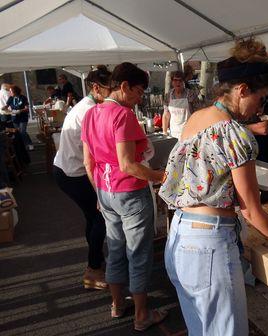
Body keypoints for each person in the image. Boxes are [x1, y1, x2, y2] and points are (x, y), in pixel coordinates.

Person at [159, 38, 268, 336]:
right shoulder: (235, 135)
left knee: (200, 329)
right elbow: (253, 211)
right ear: (242, 90)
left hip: (179, 235)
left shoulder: (197, 117)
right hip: (209, 247)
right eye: (261, 97)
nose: (261, 106)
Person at [81, 62, 167, 331]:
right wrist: (160, 177)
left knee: (116, 249)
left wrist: (99, 193)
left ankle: (117, 304)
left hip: (105, 190)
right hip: (129, 191)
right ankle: (142, 315)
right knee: (138, 254)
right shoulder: (123, 115)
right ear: (124, 86)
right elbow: (128, 164)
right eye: (139, 92)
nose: (140, 98)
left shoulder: (91, 113)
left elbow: (88, 162)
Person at [53, 65, 112, 291]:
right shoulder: (89, 110)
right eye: (110, 89)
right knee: (100, 218)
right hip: (72, 173)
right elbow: (94, 156)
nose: (112, 94)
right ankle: (93, 268)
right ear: (96, 88)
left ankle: (95, 263)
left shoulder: (88, 106)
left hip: (66, 169)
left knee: (92, 217)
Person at [161, 71, 201, 138]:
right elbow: (166, 115)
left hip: (189, 132)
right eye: (175, 80)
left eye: (180, 80)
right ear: (172, 82)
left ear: (183, 82)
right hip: (174, 133)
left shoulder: (191, 94)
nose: (178, 83)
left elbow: (198, 113)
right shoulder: (168, 96)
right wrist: (164, 132)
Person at [2, 85, 34, 151]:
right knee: (19, 132)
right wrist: (4, 108)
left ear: (15, 91)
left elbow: (26, 108)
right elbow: (7, 106)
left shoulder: (23, 98)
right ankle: (24, 145)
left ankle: (29, 144)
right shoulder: (11, 98)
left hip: (23, 117)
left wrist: (20, 110)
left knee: (22, 131)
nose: (10, 93)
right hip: (14, 118)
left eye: (11, 91)